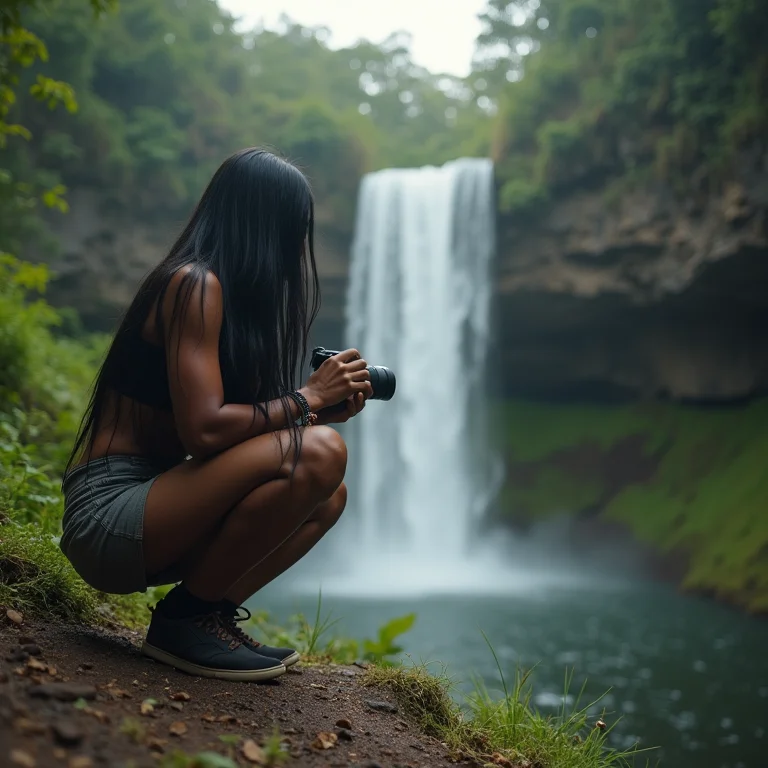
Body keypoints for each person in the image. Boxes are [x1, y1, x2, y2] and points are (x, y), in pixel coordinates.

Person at [60, 148, 372, 682]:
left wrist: (313, 412)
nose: (301, 244)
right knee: (319, 454)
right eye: (297, 226)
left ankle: (206, 617)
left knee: (327, 493)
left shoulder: (227, 304)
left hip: (157, 511)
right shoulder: (193, 284)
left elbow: (227, 438)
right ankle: (182, 624)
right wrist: (306, 400)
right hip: (108, 518)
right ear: (263, 221)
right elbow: (205, 432)